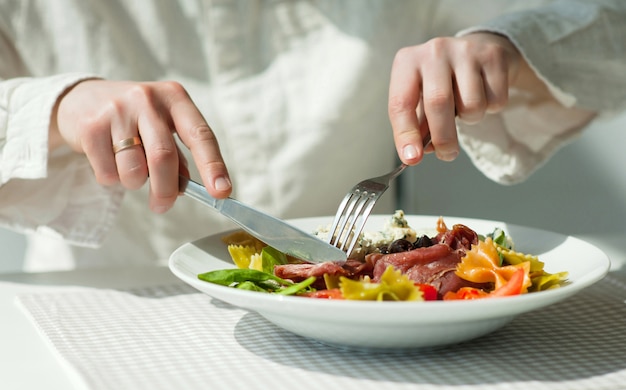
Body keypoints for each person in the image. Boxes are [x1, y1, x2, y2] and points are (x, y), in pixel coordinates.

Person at [1, 0, 625, 271]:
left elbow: (608, 30)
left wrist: (507, 44)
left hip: (364, 338)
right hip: (100, 314)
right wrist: (54, 107)